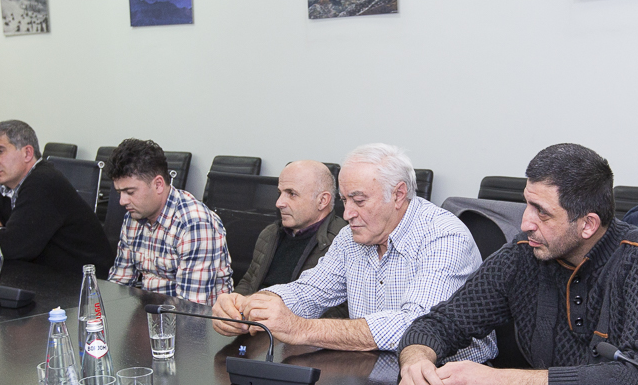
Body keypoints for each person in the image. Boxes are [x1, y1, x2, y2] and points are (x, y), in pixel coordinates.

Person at [397, 143, 638, 385]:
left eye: (542, 212)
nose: (525, 223)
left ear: (588, 225)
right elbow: (440, 323)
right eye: (527, 204)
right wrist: (416, 360)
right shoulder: (523, 253)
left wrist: (500, 384)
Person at [211, 144, 495, 361]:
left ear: (398, 195)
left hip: (451, 384)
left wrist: (300, 328)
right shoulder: (352, 237)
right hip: (372, 371)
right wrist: (251, 306)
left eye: (359, 201)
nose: (347, 214)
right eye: (345, 200)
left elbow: (417, 326)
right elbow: (310, 291)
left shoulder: (444, 236)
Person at [0, 120, 114, 273]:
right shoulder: (3, 184)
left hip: (84, 284)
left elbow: (10, 248)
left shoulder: (44, 182)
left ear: (27, 153)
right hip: (41, 278)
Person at [106, 138, 233, 305]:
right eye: (119, 193)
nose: (122, 201)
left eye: (130, 192)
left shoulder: (194, 224)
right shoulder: (133, 217)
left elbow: (190, 307)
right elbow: (119, 283)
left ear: (158, 184)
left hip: (195, 317)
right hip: (151, 311)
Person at [234, 160, 345, 296]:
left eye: (292, 194)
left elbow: (339, 306)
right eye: (279, 193)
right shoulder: (270, 233)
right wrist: (234, 301)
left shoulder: (342, 244)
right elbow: (249, 281)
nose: (279, 203)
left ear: (322, 201)